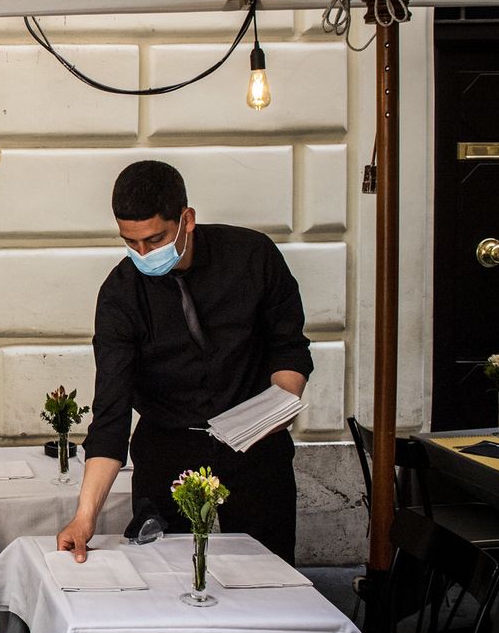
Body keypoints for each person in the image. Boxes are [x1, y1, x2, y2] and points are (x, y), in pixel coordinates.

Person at [58, 160, 312, 563]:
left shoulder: (253, 256)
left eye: (155, 239)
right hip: (167, 448)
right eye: (130, 242)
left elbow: (290, 348)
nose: (143, 253)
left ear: (186, 220)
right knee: (160, 570)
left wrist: (277, 408)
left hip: (256, 448)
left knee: (266, 571)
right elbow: (111, 414)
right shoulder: (120, 295)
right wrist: (84, 518)